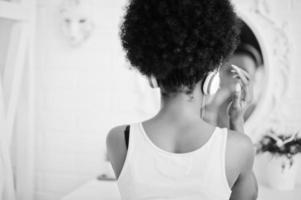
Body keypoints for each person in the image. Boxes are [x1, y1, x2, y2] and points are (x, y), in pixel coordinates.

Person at [106, 0, 258, 199]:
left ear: (152, 77)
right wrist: (237, 124)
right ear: (211, 79)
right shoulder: (238, 147)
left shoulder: (119, 139)